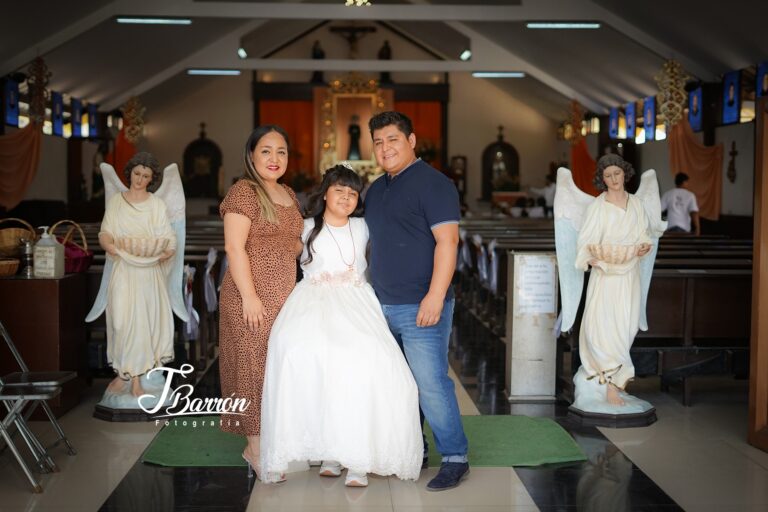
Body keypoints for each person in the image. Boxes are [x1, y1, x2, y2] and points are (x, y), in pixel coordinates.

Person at [259, 165, 422, 487]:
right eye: (339, 191)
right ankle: (329, 452)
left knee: (370, 363)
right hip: (311, 303)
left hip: (356, 303)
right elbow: (274, 252)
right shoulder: (306, 227)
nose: (346, 197)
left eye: (352, 193)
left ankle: (358, 458)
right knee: (303, 357)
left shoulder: (364, 227)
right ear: (325, 193)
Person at [364, 111, 469, 491]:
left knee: (430, 384)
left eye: (392, 139)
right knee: (396, 384)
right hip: (380, 305)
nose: (385, 147)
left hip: (420, 304)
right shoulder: (375, 189)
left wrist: (435, 297)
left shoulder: (434, 184)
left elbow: (448, 242)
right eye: (378, 142)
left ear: (411, 141)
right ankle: (415, 448)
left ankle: (455, 456)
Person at [218, 125, 303, 480]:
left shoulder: (288, 193)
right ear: (252, 154)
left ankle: (273, 440)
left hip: (285, 295)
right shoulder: (243, 192)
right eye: (266, 151)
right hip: (249, 294)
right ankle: (254, 448)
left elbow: (296, 243)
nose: (274, 158)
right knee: (252, 367)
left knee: (276, 368)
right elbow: (234, 247)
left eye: (281, 151)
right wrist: (250, 297)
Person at [95, 152, 178, 398]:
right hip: (123, 269)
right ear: (129, 172)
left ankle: (137, 380)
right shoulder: (116, 203)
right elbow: (106, 231)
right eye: (137, 173)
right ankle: (123, 374)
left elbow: (169, 237)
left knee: (145, 324)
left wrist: (168, 250)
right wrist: (108, 243)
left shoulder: (156, 205)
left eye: (146, 176)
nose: (140, 179)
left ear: (151, 179)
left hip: (148, 271)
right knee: (122, 321)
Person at [576, 155, 653, 408]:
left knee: (624, 327)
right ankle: (608, 384)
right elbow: (585, 240)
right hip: (605, 274)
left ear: (624, 173)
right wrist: (590, 259)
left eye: (617, 174)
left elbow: (644, 233)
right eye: (607, 175)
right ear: (602, 178)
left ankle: (616, 382)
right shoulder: (597, 206)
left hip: (629, 275)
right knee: (601, 328)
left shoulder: (637, 204)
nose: (613, 179)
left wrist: (643, 246)